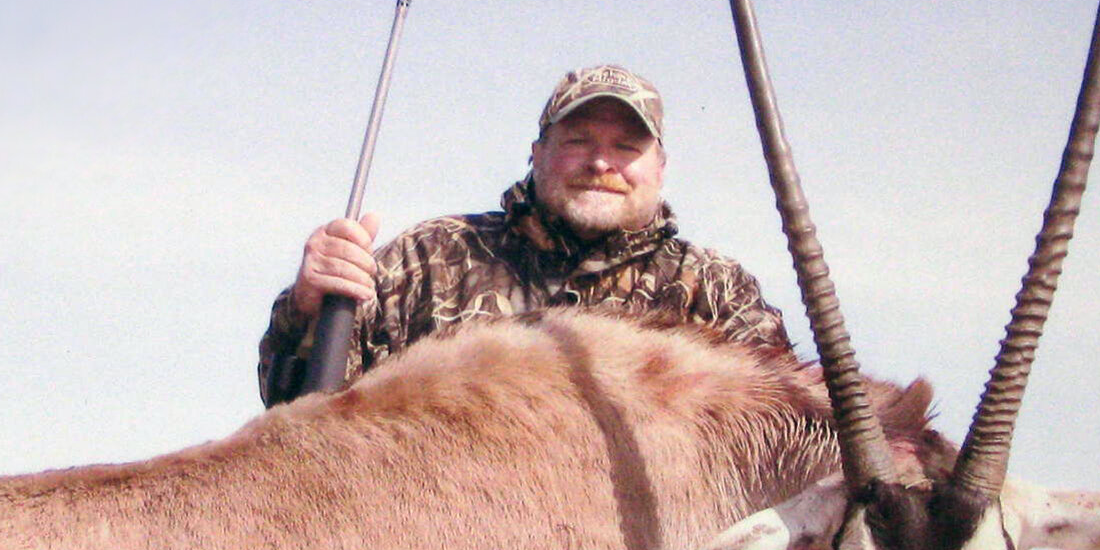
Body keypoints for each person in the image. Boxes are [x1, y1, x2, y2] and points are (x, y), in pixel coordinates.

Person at [259, 63, 791, 405]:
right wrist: (307, 307)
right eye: (578, 141)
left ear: (661, 167)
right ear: (536, 155)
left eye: (627, 147)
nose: (602, 161)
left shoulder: (718, 291)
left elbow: (788, 435)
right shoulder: (427, 258)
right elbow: (297, 411)